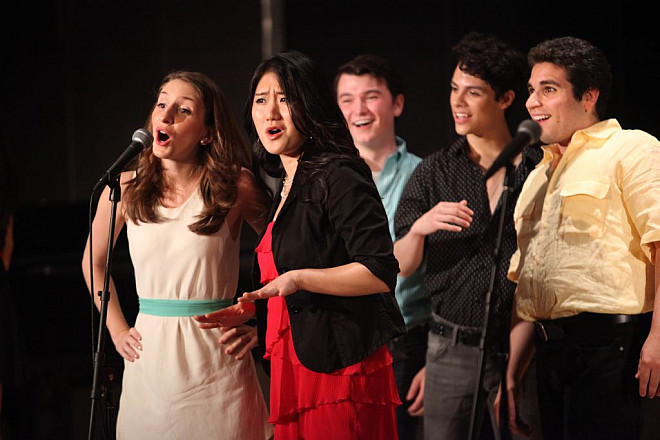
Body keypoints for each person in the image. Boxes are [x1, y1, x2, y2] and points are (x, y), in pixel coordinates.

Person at [196, 51, 406, 439]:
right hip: (295, 369)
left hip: (339, 375)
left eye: (285, 98)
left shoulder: (338, 173)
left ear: (309, 106)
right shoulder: (286, 185)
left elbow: (379, 271)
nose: (271, 113)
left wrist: (298, 279)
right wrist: (258, 318)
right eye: (262, 100)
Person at [81, 71, 272, 439]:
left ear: (207, 131)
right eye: (161, 104)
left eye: (182, 110)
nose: (165, 116)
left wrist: (258, 318)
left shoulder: (235, 185)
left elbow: (288, 254)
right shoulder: (123, 187)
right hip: (150, 359)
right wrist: (117, 329)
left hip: (217, 361)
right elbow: (94, 262)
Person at [501, 36, 660, 440]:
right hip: (550, 351)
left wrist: (658, 340)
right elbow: (526, 287)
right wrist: (512, 375)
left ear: (588, 95)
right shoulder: (537, 175)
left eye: (548, 90)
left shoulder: (632, 148)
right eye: (531, 91)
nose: (532, 102)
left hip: (613, 347)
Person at [393, 32, 541, 439]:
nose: (457, 101)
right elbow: (401, 267)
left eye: (472, 92)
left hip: (519, 346)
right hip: (449, 347)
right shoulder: (435, 170)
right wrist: (421, 227)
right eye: (454, 89)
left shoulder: (537, 169)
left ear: (506, 99)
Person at [334, 54, 428, 440]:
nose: (359, 109)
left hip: (407, 342)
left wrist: (437, 359)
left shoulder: (427, 174)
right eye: (346, 99)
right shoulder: (326, 177)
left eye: (371, 96)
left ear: (397, 103)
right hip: (342, 339)